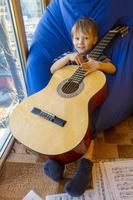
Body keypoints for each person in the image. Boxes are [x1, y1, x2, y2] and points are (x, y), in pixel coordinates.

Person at [44, 18, 116, 197]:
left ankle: (84, 168)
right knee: (56, 128)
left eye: (85, 38)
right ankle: (56, 162)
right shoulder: (69, 56)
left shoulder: (98, 56)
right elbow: (53, 69)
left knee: (87, 130)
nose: (80, 42)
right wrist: (68, 57)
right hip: (62, 103)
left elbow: (112, 68)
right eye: (76, 38)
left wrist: (98, 65)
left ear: (94, 40)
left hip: (83, 104)